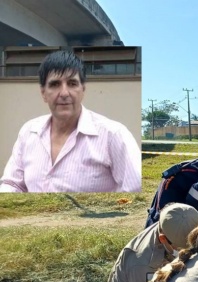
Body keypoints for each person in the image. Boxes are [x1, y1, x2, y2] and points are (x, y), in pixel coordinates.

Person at [0, 50, 141, 193]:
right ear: (43, 93)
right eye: (55, 84)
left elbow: (135, 189)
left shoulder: (112, 135)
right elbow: (12, 184)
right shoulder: (28, 132)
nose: (64, 93)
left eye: (72, 83)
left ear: (83, 90)